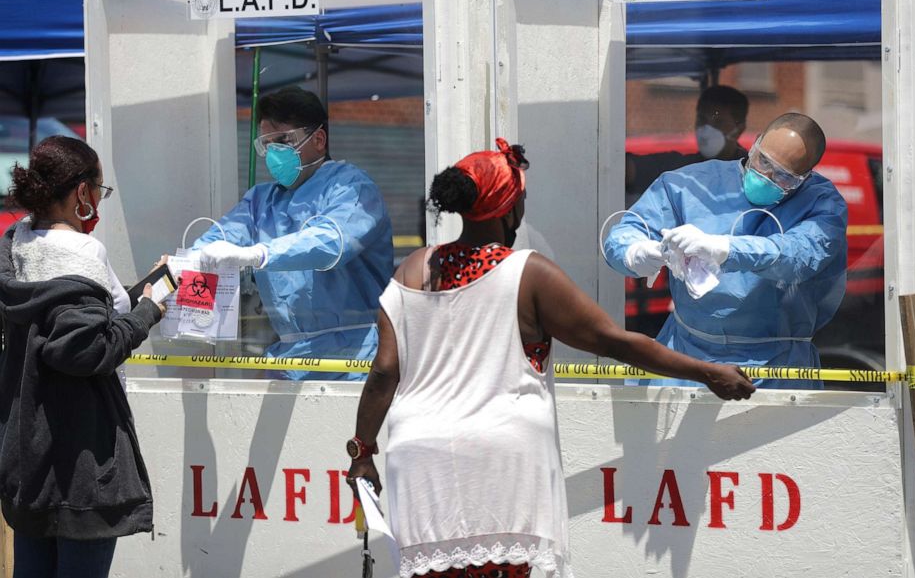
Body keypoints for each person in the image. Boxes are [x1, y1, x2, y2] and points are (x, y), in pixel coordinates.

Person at [347, 139, 755, 578]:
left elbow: (385, 370)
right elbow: (613, 342)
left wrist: (362, 450)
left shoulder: (413, 268)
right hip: (501, 456)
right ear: (510, 210)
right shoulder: (528, 273)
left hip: (419, 455)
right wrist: (706, 371)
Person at [0, 136, 166, 578]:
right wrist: (147, 315)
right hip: (82, 465)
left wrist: (142, 293)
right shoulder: (80, 254)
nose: (99, 201)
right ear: (81, 194)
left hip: (30, 455)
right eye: (100, 190)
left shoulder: (17, 245)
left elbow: (72, 318)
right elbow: (86, 347)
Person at [605, 113, 848, 389]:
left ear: (805, 178)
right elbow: (623, 235)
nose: (765, 176)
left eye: (783, 176)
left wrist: (724, 248)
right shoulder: (691, 185)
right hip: (686, 358)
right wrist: (637, 252)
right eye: (763, 160)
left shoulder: (822, 204)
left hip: (776, 368)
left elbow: (800, 256)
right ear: (754, 145)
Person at [191, 86, 393, 379]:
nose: (274, 153)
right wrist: (188, 261)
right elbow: (221, 236)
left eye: (284, 140)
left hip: (354, 358)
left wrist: (258, 253)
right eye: (267, 144)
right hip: (290, 358)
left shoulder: (352, 189)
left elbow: (329, 242)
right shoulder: (261, 200)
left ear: (319, 139)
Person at [626, 85, 749, 205]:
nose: (707, 128)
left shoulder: (751, 172)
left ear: (739, 129)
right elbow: (627, 170)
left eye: (718, 122)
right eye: (702, 119)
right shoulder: (679, 169)